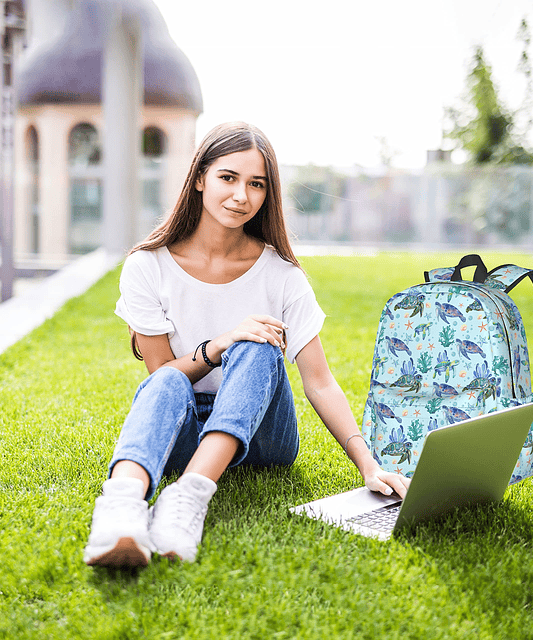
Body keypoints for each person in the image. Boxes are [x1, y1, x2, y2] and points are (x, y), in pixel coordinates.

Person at [84, 122, 410, 568]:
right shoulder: (147, 266)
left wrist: (368, 465)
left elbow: (320, 381)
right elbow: (162, 374)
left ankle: (189, 498)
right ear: (199, 178)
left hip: (263, 438)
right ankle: (121, 509)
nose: (241, 195)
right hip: (186, 430)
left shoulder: (282, 276)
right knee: (166, 383)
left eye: (256, 184)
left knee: (257, 344)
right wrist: (217, 345)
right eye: (228, 177)